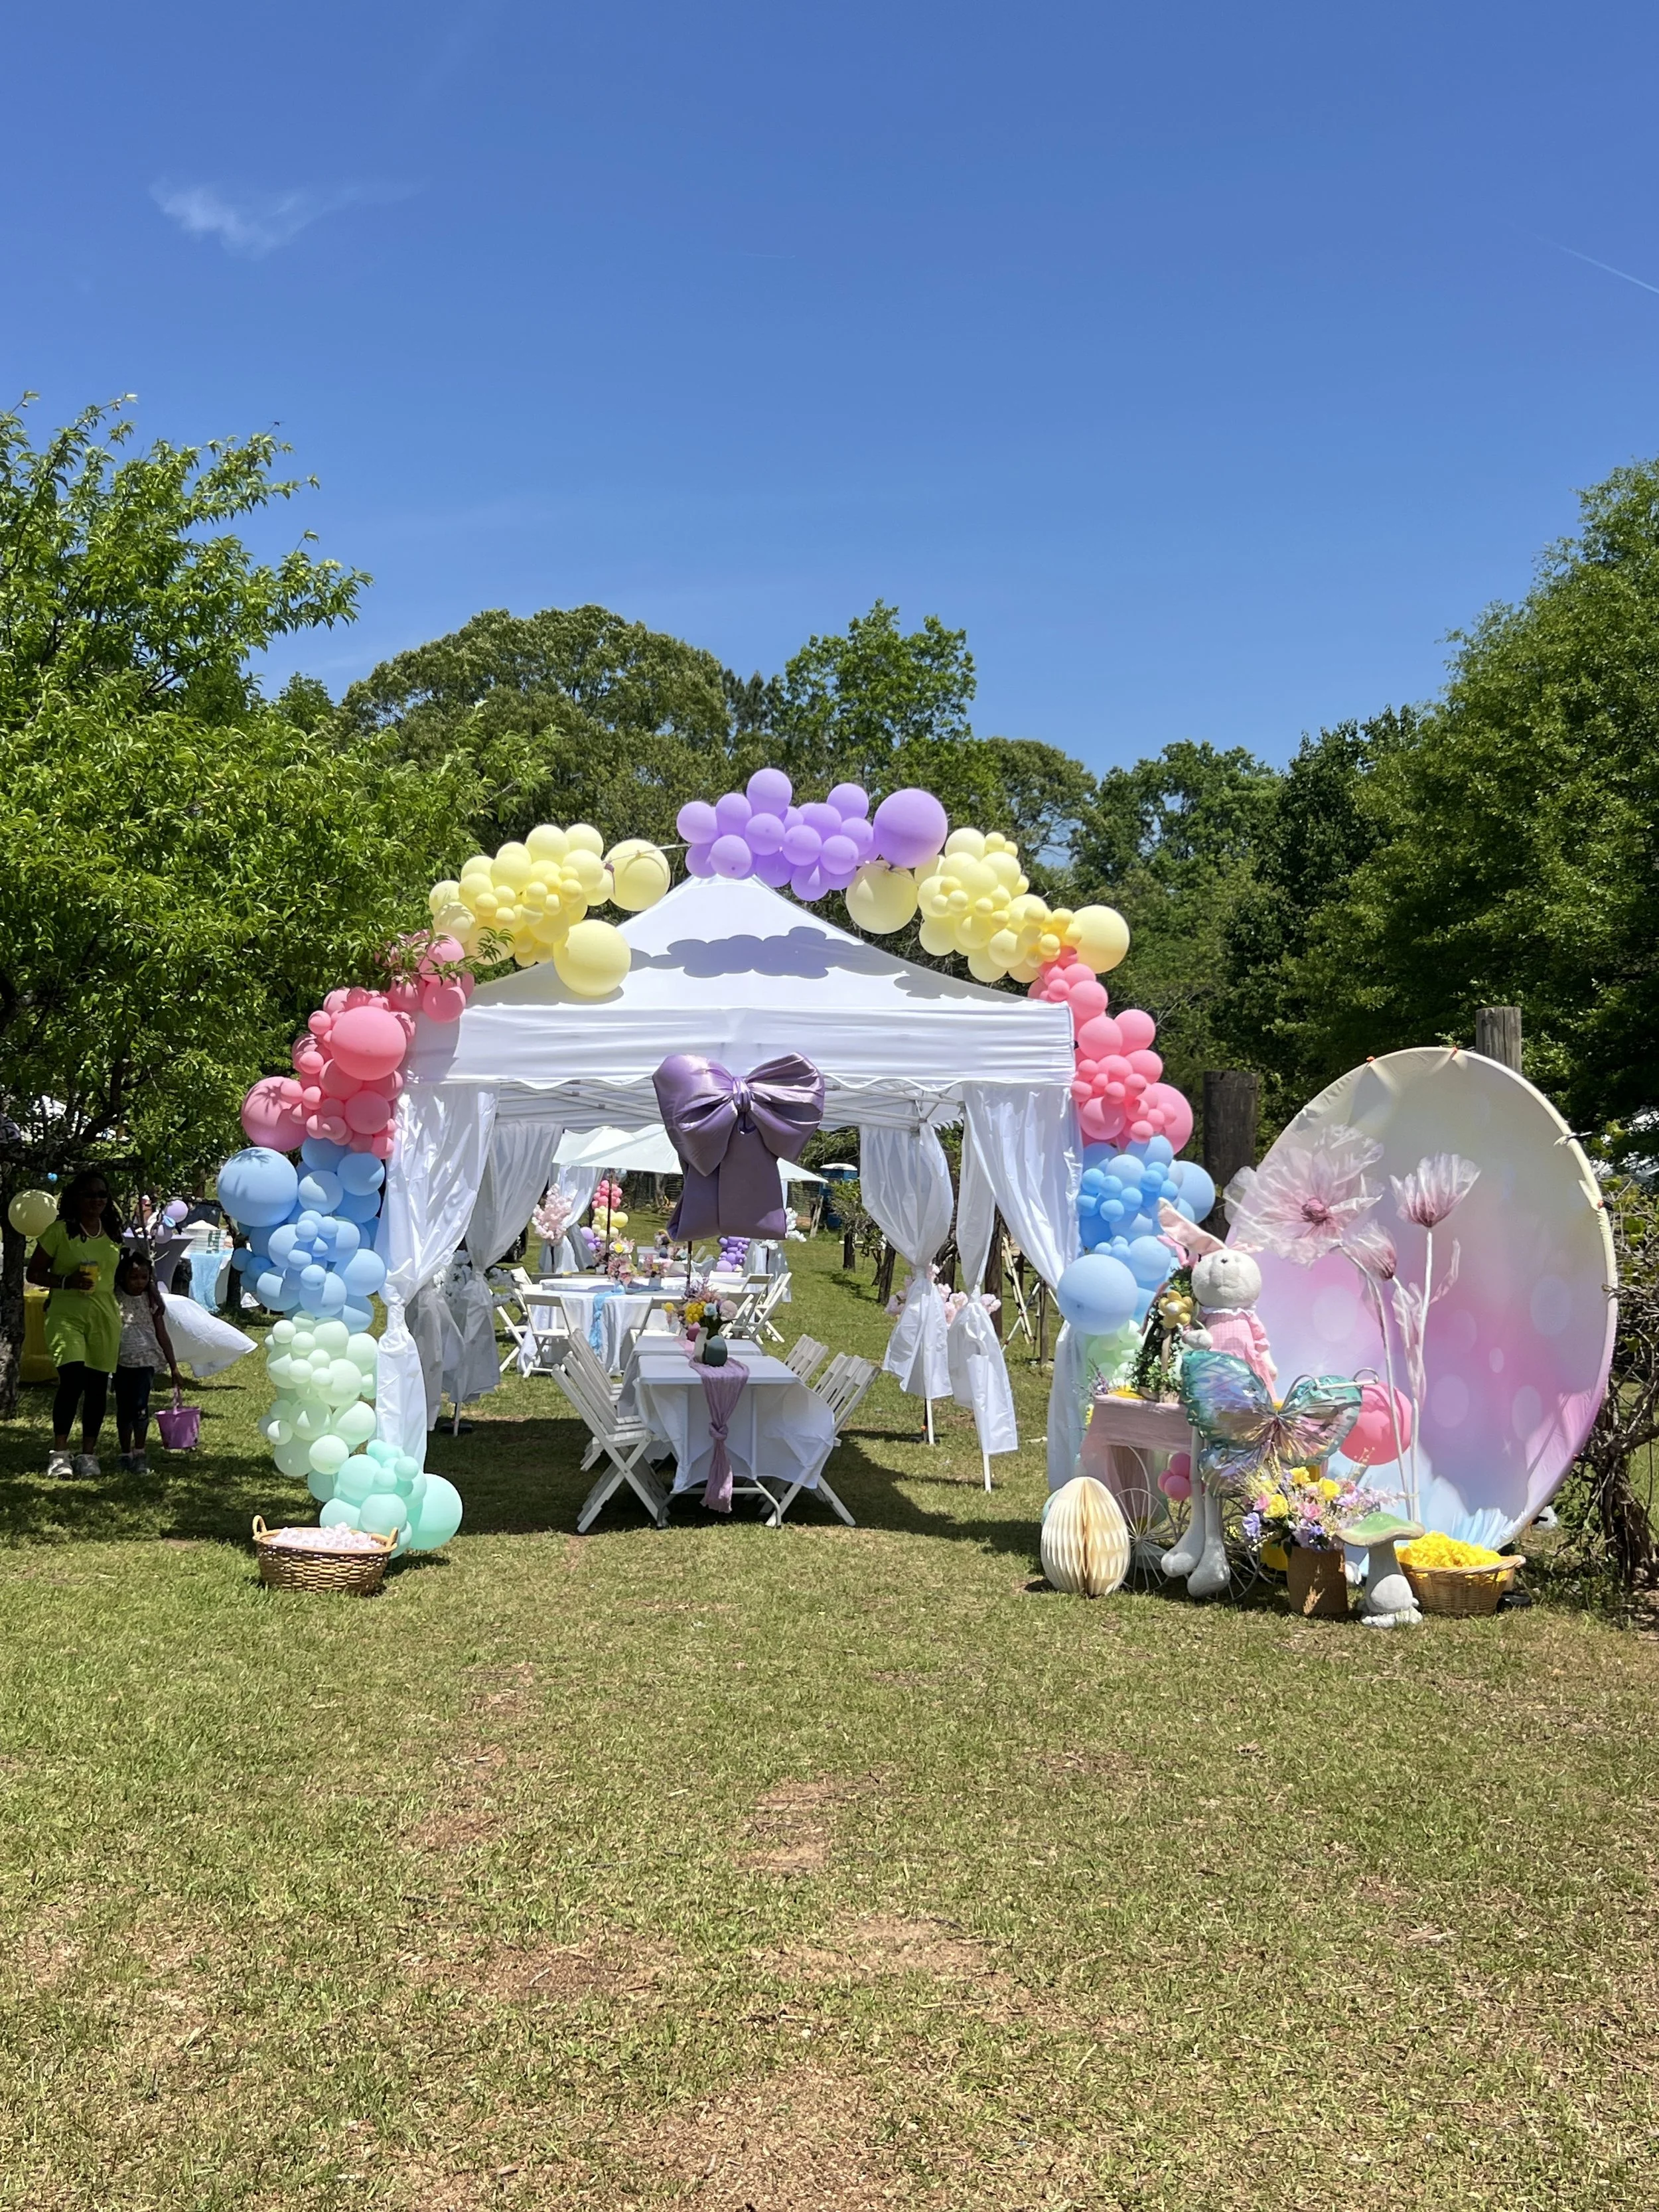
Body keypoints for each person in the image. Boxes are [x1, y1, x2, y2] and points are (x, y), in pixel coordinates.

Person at [26, 1169, 125, 1478]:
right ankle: (59, 1454)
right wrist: (67, 1281)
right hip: (66, 1314)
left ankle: (88, 1455)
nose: (97, 1200)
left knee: (97, 1388)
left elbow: (117, 1275)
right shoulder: (60, 1231)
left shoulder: (112, 1230)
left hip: (104, 1316)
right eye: (90, 1194)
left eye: (102, 1195)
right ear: (76, 1198)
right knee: (71, 1381)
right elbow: (34, 1274)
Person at [111, 1251, 182, 1473]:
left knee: (141, 1407)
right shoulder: (114, 1297)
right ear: (123, 1277)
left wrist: (173, 1366)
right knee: (124, 1409)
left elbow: (162, 1334)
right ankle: (125, 1453)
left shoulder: (151, 1301)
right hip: (121, 1362)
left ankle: (140, 1452)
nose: (138, 1282)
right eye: (134, 1277)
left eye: (144, 1277)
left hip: (145, 1361)